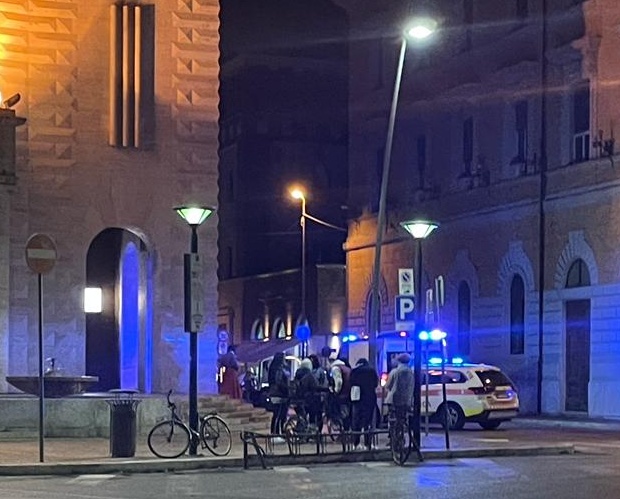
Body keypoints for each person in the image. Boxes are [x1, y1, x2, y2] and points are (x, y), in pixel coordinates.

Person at [384, 353, 414, 448]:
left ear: (399, 361)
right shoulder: (411, 372)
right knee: (402, 419)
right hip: (406, 400)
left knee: (393, 420)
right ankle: (401, 438)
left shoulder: (395, 372)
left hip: (394, 400)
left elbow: (388, 386)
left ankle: (393, 439)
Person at [350, 358, 379, 450]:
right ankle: (368, 443)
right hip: (370, 398)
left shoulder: (355, 371)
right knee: (368, 421)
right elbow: (375, 384)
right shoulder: (372, 371)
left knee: (356, 421)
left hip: (358, 399)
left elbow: (351, 383)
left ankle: (356, 443)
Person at [267, 352, 290, 442]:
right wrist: (286, 389)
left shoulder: (273, 368)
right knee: (279, 415)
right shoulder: (279, 369)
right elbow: (279, 381)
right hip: (279, 394)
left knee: (277, 415)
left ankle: (275, 433)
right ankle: (276, 434)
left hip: (275, 394)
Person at [329, 356, 352, 430]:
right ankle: (347, 430)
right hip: (348, 393)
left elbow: (339, 381)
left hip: (342, 394)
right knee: (346, 413)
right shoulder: (347, 368)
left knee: (341, 413)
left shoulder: (335, 368)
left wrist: (336, 391)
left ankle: (343, 431)